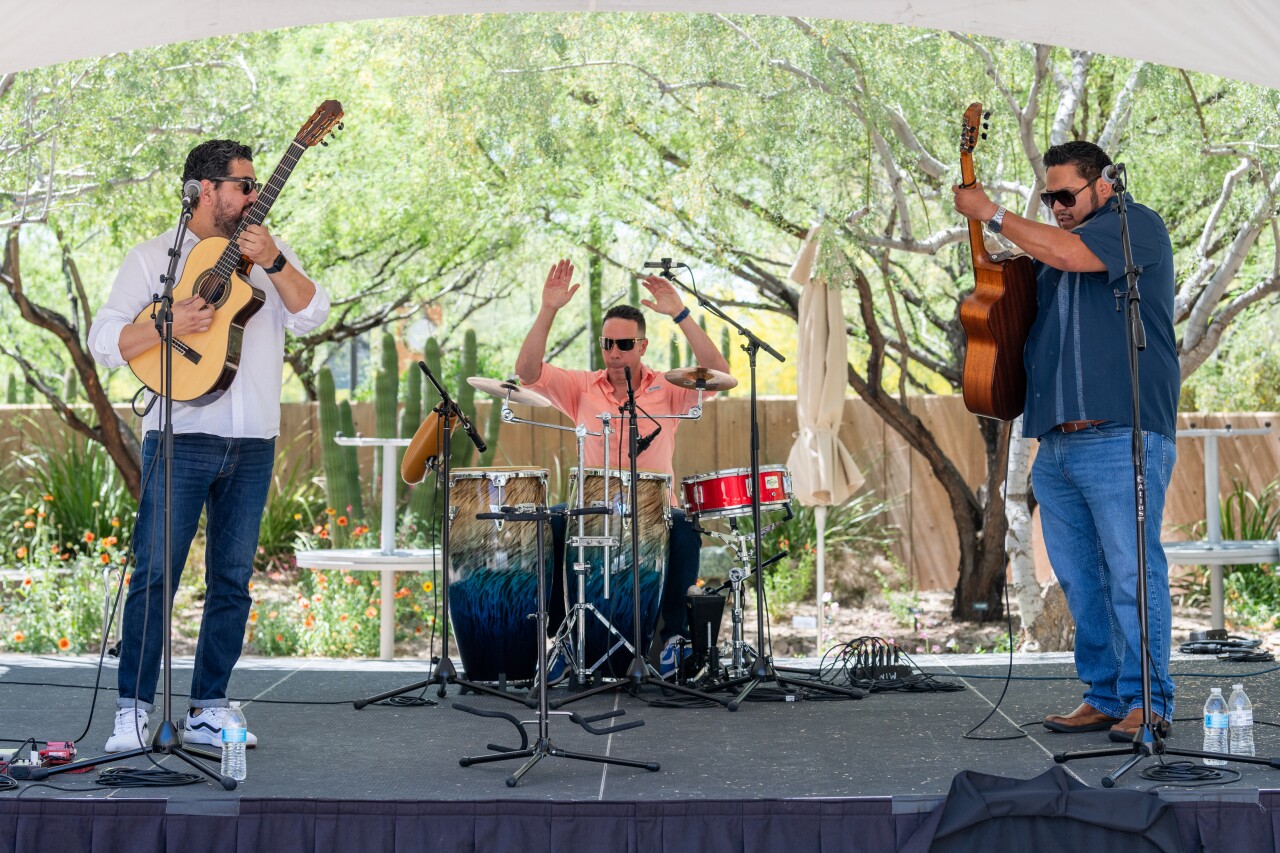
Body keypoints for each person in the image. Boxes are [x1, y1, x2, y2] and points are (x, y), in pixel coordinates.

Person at [89, 139, 330, 752]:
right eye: (242, 185)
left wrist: (274, 260)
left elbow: (314, 314)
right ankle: (133, 709)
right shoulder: (152, 258)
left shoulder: (269, 254)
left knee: (232, 580)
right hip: (181, 435)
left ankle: (208, 706)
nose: (253, 195)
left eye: (255, 185)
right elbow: (104, 337)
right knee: (154, 575)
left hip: (253, 441)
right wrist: (168, 323)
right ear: (202, 190)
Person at [953, 141, 1180, 742]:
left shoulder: (1134, 225)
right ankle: (1106, 695)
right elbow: (1025, 295)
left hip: (1120, 433)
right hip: (1054, 443)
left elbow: (1071, 254)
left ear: (1104, 184)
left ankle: (1150, 701)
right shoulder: (1052, 257)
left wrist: (992, 212)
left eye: (1064, 194)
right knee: (1082, 580)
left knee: (1132, 573)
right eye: (1047, 196)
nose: (1054, 205)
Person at [514, 259, 733, 675]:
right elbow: (526, 373)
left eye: (625, 345)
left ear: (643, 346)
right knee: (548, 524)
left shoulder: (669, 387)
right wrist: (548, 309)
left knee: (686, 528)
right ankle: (563, 636)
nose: (615, 353)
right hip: (593, 511)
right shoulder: (580, 386)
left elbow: (719, 374)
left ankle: (673, 638)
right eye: (607, 344)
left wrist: (681, 314)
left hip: (654, 512)